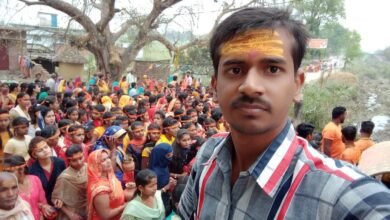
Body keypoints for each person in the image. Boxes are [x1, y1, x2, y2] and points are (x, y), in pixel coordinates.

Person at [178, 7, 390, 219]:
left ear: (297, 84)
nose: (251, 86)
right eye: (235, 70)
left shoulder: (341, 197)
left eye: (272, 69)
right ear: (215, 85)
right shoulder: (208, 155)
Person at [3, 155, 54, 220]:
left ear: (21, 169)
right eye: (7, 172)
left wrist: (44, 208)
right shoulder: (8, 188)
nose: (7, 175)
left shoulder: (35, 179)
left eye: (10, 171)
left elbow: (43, 201)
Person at [87, 149, 126, 220]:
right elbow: (105, 215)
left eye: (108, 158)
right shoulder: (100, 189)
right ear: (96, 164)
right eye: (103, 160)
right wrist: (125, 206)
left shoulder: (110, 175)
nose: (108, 161)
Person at [52, 145, 87, 220]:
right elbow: (55, 199)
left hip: (88, 209)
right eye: (74, 160)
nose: (79, 162)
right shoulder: (64, 177)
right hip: (71, 213)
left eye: (81, 158)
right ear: (68, 161)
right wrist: (70, 214)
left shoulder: (88, 168)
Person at [28, 136, 66, 205]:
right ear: (34, 155)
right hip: (46, 205)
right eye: (40, 150)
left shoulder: (60, 162)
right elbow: (36, 193)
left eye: (46, 147)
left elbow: (66, 183)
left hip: (63, 199)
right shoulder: (31, 171)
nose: (45, 151)